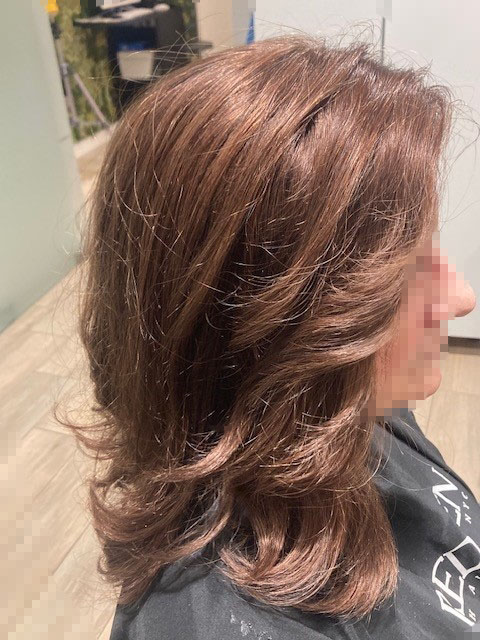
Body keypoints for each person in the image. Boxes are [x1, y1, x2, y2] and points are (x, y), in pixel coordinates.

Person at [63, 32, 478, 639]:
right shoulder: (215, 624)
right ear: (266, 331)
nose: (461, 297)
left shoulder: (357, 406)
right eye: (404, 273)